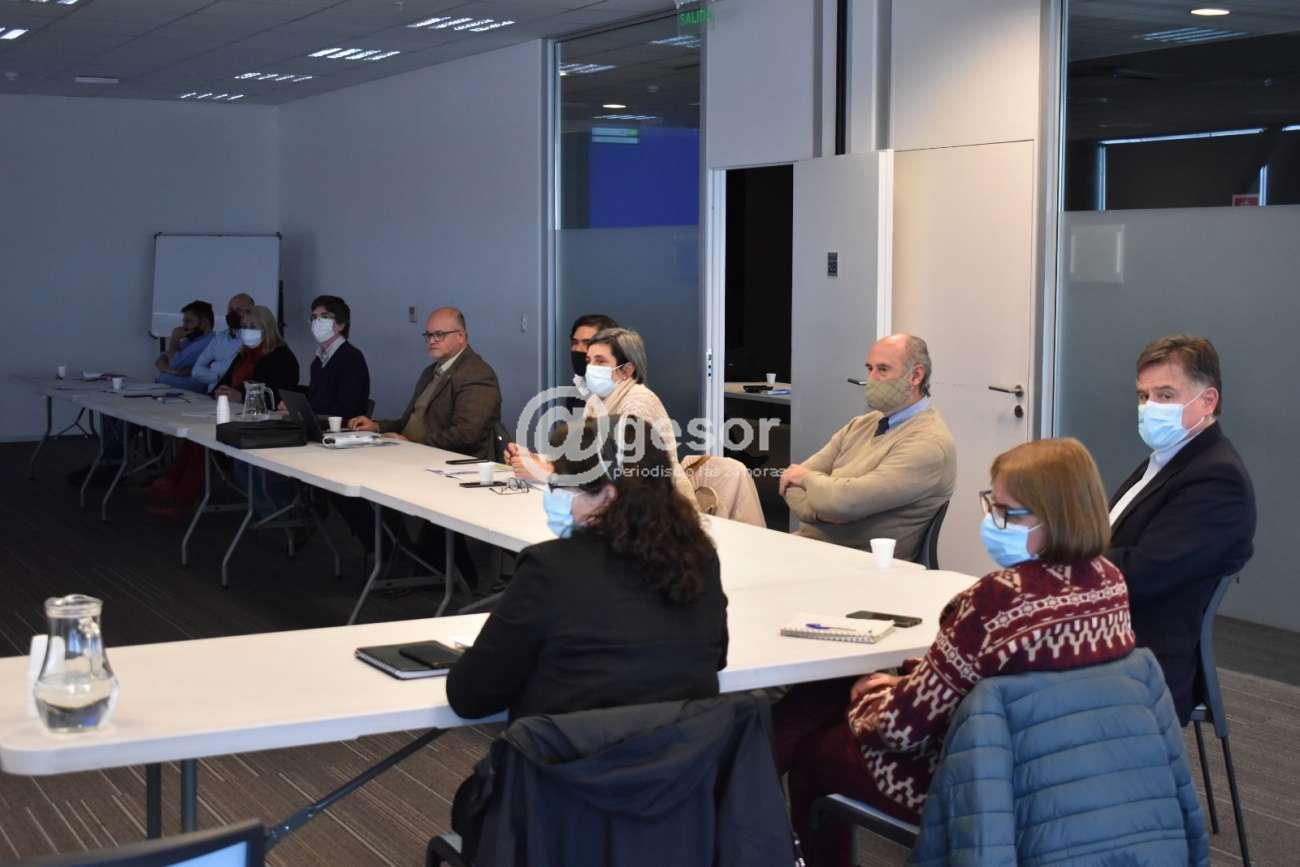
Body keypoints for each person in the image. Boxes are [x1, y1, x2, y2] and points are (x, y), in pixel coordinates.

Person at [773, 439, 1136, 867]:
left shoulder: (998, 600)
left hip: (979, 785)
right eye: (991, 505)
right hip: (1075, 774)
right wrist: (917, 678)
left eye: (1007, 513)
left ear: (1059, 516)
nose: (993, 521)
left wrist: (868, 695)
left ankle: (732, 809)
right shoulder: (1109, 582)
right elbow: (986, 675)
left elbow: (898, 729)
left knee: (817, 746)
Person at [447, 415, 728, 721]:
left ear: (607, 495)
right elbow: (715, 658)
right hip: (682, 748)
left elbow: (471, 695)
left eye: (562, 486)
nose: (554, 496)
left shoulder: (550, 568)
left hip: (570, 750)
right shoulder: (699, 557)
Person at [1108, 334, 1255, 723]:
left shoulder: (1217, 479)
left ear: (1207, 401)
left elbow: (1142, 574)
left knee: (1006, 691)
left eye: (1165, 395)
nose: (1149, 408)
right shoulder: (1168, 458)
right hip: (1111, 630)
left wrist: (1067, 558)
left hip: (1145, 657)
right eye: (1143, 396)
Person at [780, 333, 955, 562]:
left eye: (883, 369)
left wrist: (809, 481)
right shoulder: (862, 424)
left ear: (916, 376)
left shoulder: (929, 443)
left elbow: (844, 502)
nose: (872, 379)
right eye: (869, 369)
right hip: (814, 548)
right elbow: (790, 483)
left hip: (863, 563)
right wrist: (826, 511)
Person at [506, 326, 697, 507]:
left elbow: (624, 476)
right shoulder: (596, 401)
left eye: (601, 361)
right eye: (589, 360)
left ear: (627, 370)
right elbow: (582, 459)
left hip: (658, 509)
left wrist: (548, 474)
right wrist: (536, 460)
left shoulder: (639, 401)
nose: (591, 368)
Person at [348, 307, 501, 458]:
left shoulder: (477, 374)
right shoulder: (430, 371)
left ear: (460, 336)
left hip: (449, 463)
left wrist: (411, 444)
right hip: (413, 453)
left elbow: (466, 434)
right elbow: (408, 422)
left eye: (439, 335)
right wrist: (376, 426)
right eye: (428, 335)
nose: (431, 341)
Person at [302, 294, 370, 419]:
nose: (317, 322)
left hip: (342, 427)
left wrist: (306, 410)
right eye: (314, 317)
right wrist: (297, 407)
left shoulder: (352, 358)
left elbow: (346, 408)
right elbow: (317, 398)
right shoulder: (318, 359)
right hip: (320, 423)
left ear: (341, 325)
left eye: (324, 317)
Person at [214, 305, 299, 403]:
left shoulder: (282, 357)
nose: (247, 331)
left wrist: (242, 397)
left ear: (267, 328)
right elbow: (224, 382)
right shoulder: (245, 354)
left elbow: (279, 396)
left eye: (253, 327)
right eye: (244, 327)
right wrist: (221, 391)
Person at [191, 293, 254, 394]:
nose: (233, 313)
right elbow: (196, 370)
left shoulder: (253, 339)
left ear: (250, 313)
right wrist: (217, 377)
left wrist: (216, 369)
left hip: (238, 395)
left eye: (238, 310)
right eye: (230, 309)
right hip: (214, 394)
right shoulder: (219, 338)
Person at [154, 300, 216, 393]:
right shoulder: (189, 340)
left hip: (186, 395)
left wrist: (174, 339)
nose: (184, 326)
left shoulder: (210, 343)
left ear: (204, 322)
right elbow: (160, 361)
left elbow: (173, 363)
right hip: (166, 390)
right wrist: (175, 372)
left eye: (188, 321)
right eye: (184, 321)